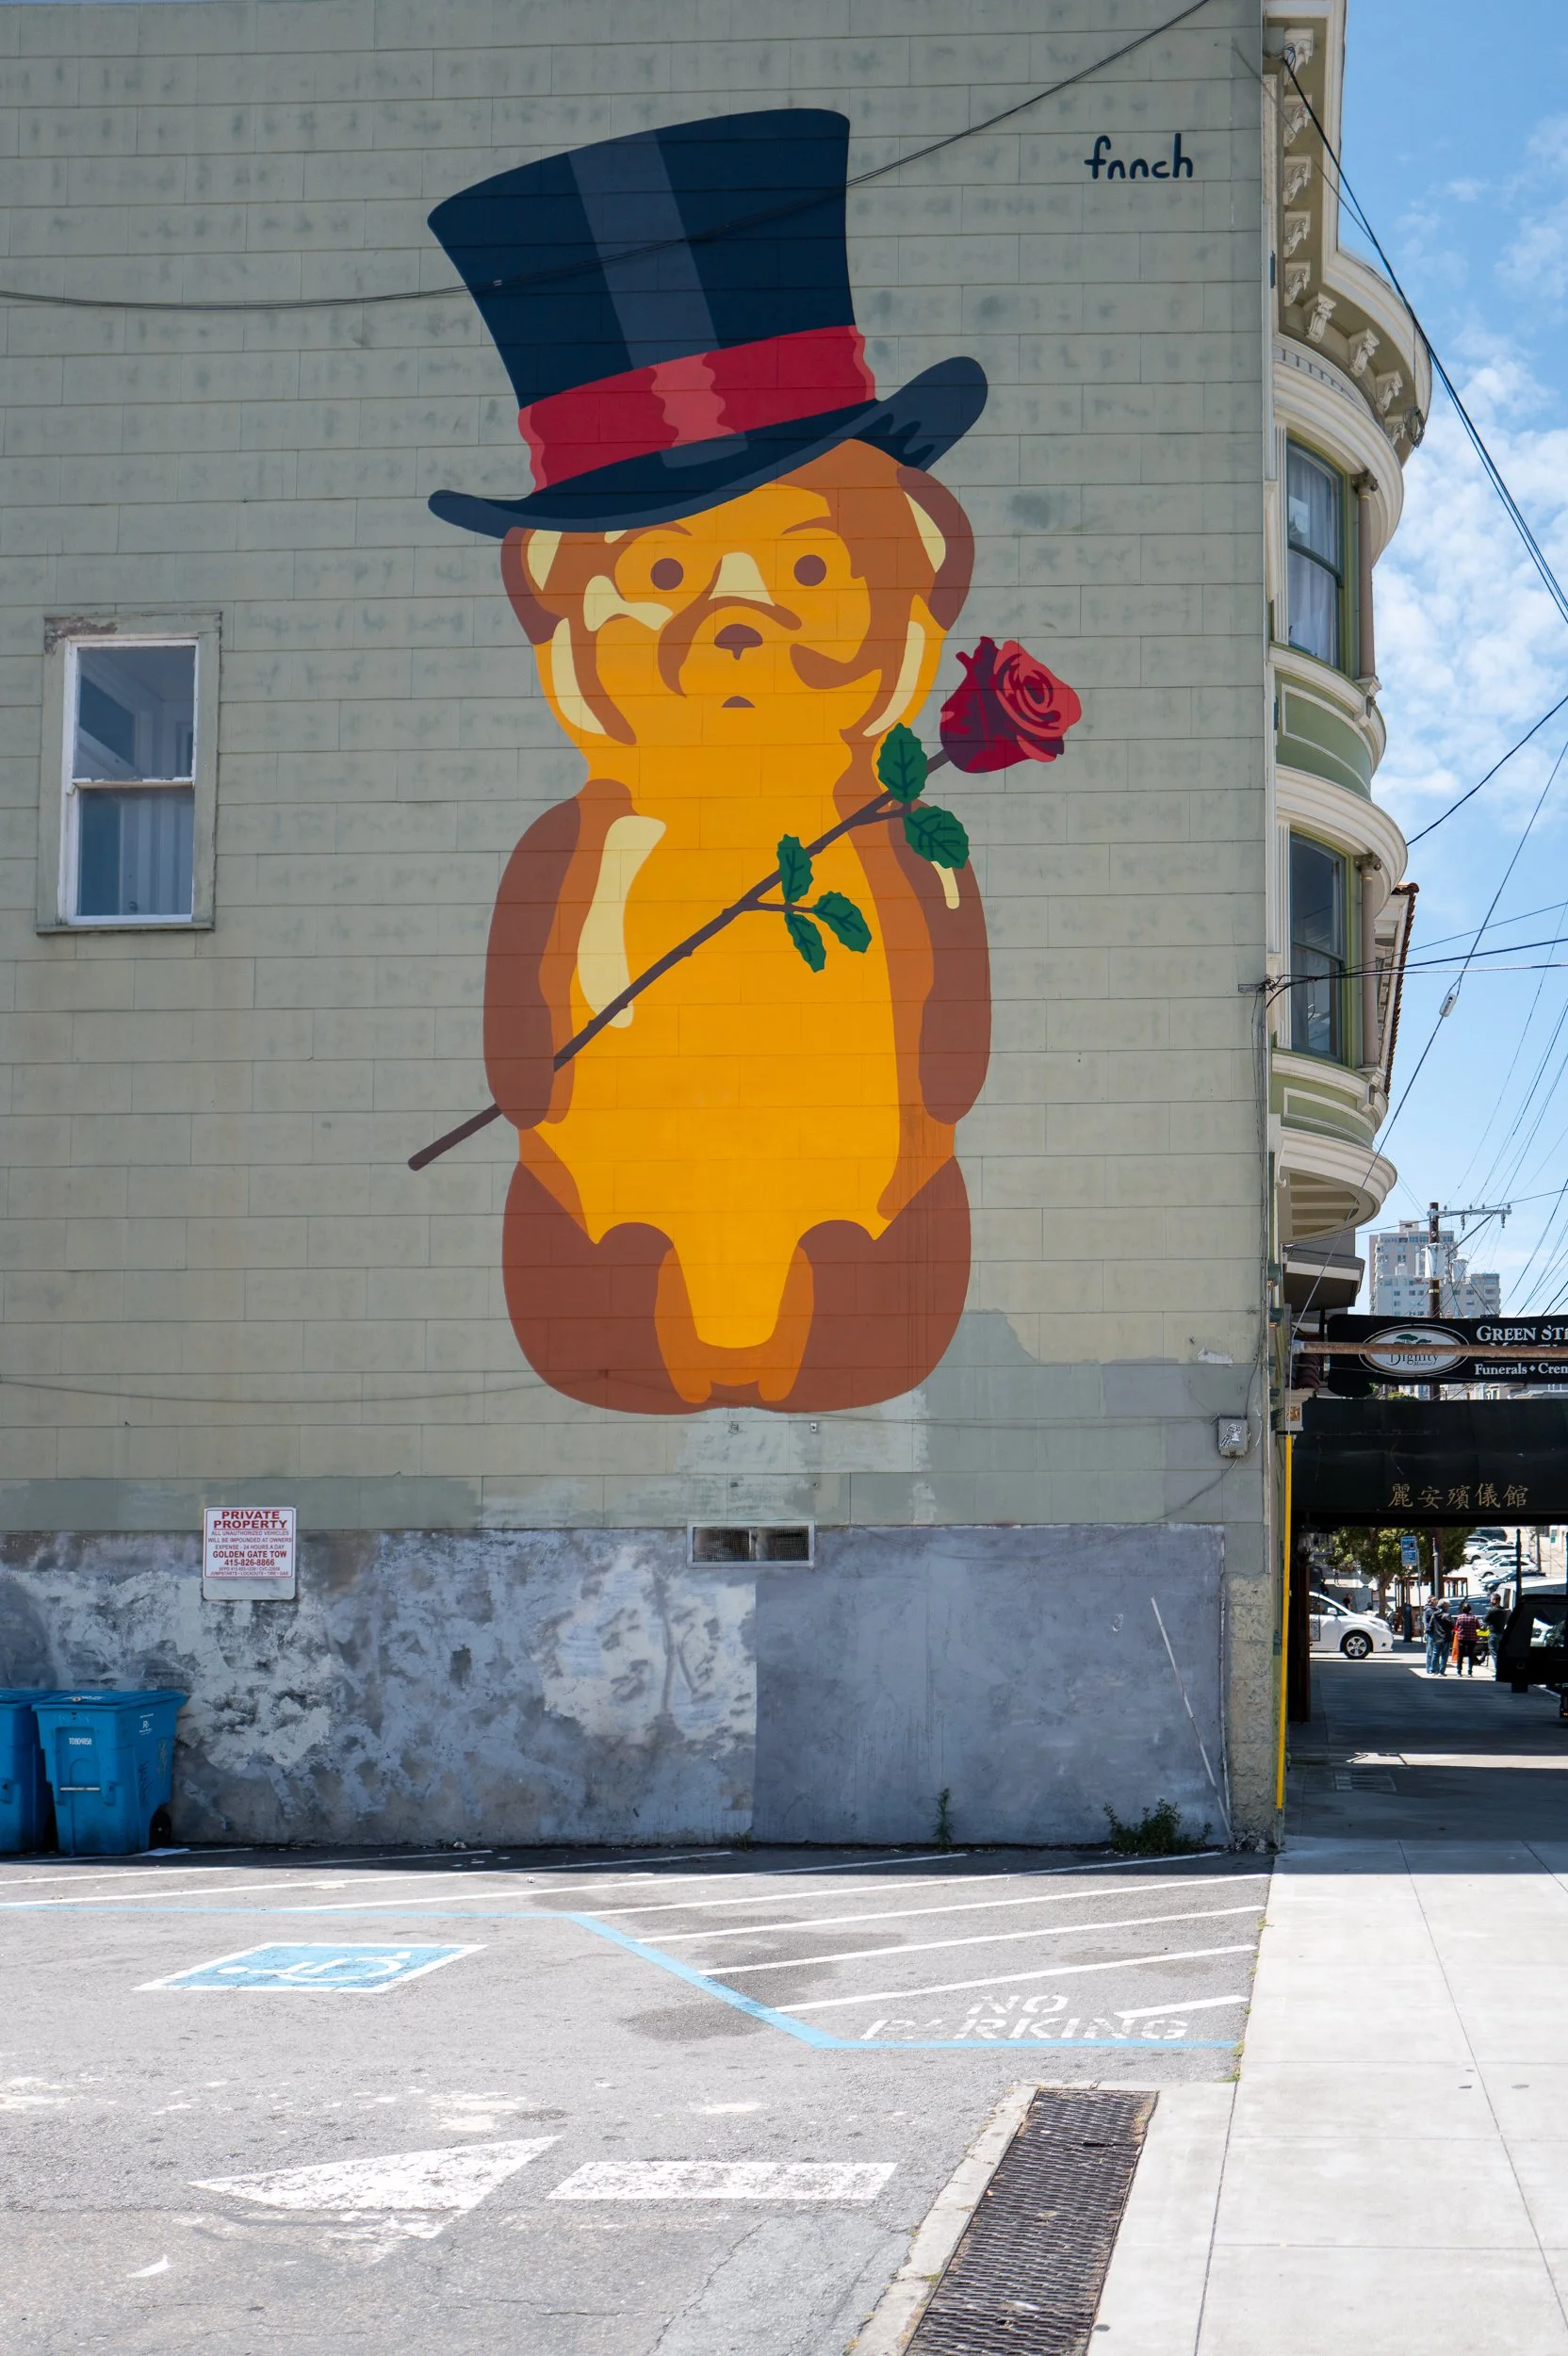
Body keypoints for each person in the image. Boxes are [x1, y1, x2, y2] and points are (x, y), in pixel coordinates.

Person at [1425, 1590, 1451, 1676]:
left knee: (1435, 1653)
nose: (1436, 1601)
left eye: (1436, 1599)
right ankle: (1431, 1669)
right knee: (1432, 1652)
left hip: (1436, 1634)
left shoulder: (1435, 1611)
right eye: (1434, 1599)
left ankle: (1434, 1669)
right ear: (1430, 1601)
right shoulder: (1429, 1610)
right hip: (1432, 1633)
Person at [1452, 1601, 1481, 1677]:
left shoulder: (1460, 1617)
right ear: (1470, 1609)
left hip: (1462, 1638)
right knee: (1470, 1654)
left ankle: (1459, 1671)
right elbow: (1478, 1627)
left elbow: (1456, 1627)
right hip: (1472, 1638)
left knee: (1460, 1655)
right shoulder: (1474, 1617)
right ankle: (1470, 1671)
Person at [1485, 1592, 1511, 1677]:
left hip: (1494, 1634)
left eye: (1491, 1600)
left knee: (1495, 1654)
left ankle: (1499, 1672)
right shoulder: (1503, 1610)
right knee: (1500, 1653)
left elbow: (1485, 1620)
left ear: (1495, 1600)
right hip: (1501, 1633)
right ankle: (1502, 1670)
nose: (1490, 1601)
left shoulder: (1491, 1610)